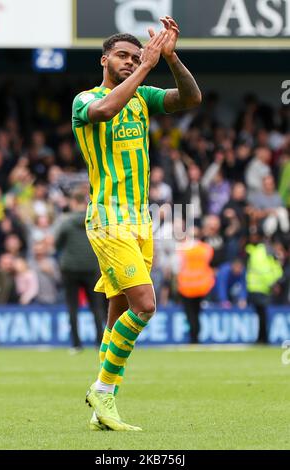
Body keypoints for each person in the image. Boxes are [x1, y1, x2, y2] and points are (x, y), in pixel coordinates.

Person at [72, 16, 202, 431]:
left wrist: (171, 57)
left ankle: (100, 412)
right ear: (104, 60)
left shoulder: (143, 96)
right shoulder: (84, 99)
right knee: (146, 306)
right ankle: (104, 389)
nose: (130, 62)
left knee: (119, 313)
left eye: (134, 56)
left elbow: (191, 99)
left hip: (140, 220)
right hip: (108, 218)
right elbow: (107, 109)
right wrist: (147, 64)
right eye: (122, 56)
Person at [54, 190, 107, 352]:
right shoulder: (95, 221)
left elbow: (57, 244)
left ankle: (76, 344)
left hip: (70, 268)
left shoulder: (66, 222)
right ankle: (100, 341)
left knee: (72, 307)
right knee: (96, 307)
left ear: (72, 202)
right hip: (91, 268)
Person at [176, 227, 215, 344]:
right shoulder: (206, 248)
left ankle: (194, 337)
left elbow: (177, 266)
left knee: (190, 313)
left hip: (186, 286)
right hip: (201, 286)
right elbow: (210, 263)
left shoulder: (182, 249)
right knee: (197, 312)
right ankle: (196, 335)